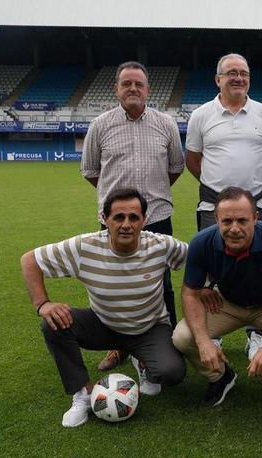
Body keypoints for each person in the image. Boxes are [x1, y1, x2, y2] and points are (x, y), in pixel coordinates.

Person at [21, 189, 188, 427]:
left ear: (145, 220)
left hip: (149, 327)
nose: (126, 225)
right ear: (105, 218)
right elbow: (30, 260)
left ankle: (142, 362)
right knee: (53, 324)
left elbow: (198, 258)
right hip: (103, 324)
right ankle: (83, 394)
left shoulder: (160, 245)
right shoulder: (85, 246)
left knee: (172, 373)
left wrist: (205, 290)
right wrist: (43, 304)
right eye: (119, 217)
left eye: (134, 217)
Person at [81, 61, 185, 372]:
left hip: (156, 217)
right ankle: (117, 347)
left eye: (138, 84)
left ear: (148, 90)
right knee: (113, 285)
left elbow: (175, 168)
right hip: (115, 222)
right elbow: (90, 171)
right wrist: (118, 207)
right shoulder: (100, 125)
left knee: (161, 283)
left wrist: (148, 202)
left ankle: (169, 344)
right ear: (116, 89)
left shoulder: (165, 124)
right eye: (126, 83)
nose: (133, 89)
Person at [185, 53, 262, 359]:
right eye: (231, 73)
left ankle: (255, 334)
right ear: (218, 79)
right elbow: (193, 160)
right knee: (211, 269)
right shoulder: (201, 115)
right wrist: (222, 193)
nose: (238, 78)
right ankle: (212, 334)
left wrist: (246, 193)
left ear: (249, 79)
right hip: (212, 204)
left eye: (243, 73)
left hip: (255, 203)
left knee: (257, 268)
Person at [171, 187, 262, 413]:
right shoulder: (202, 242)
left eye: (242, 220)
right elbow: (190, 293)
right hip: (227, 304)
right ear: (217, 219)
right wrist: (204, 342)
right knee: (183, 337)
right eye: (227, 221)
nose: (234, 229)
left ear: (255, 218)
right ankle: (221, 376)